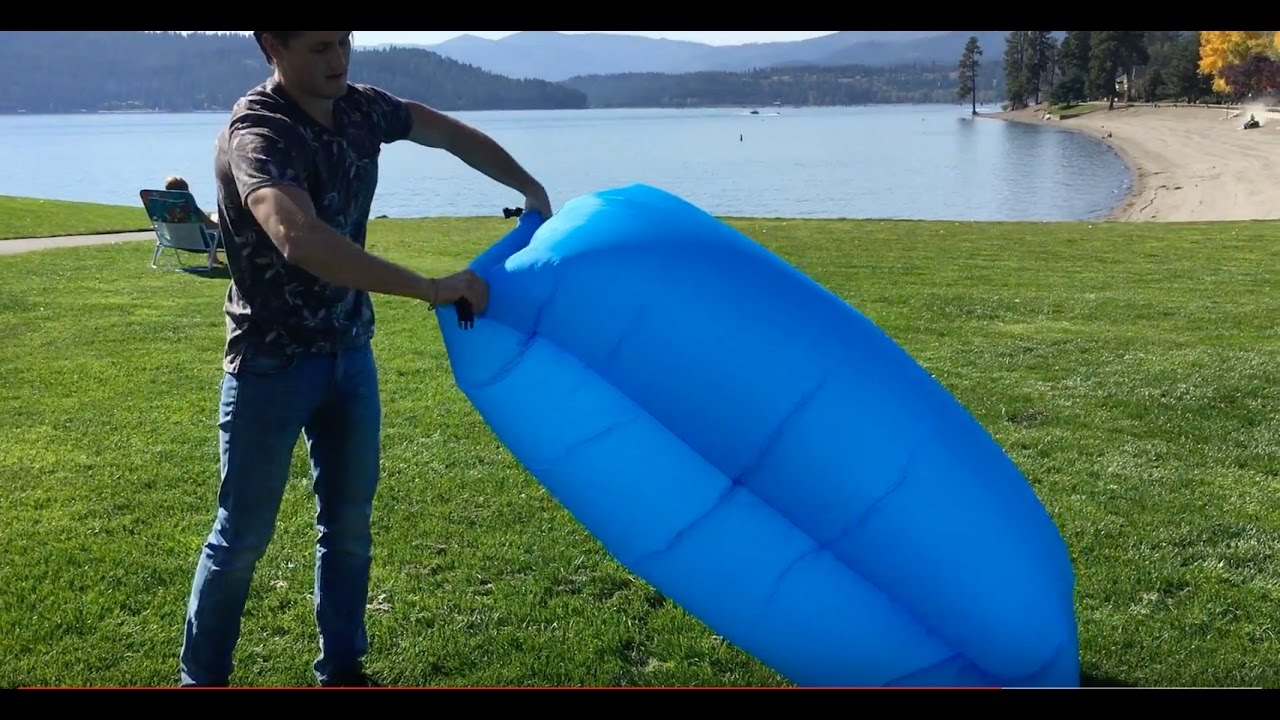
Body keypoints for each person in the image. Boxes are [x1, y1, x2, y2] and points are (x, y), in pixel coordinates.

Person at [178, 30, 553, 688]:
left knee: (347, 527)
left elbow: (450, 134)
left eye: (344, 42)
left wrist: (530, 187)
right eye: (319, 46)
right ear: (272, 44)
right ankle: (201, 680)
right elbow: (298, 237)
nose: (337, 61)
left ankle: (343, 670)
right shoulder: (257, 133)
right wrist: (433, 288)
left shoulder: (363, 108)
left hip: (350, 355)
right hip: (269, 364)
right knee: (240, 540)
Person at [163, 175, 223, 266]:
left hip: (174, 240)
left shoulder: (165, 209)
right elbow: (213, 226)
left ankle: (214, 258)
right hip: (199, 242)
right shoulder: (190, 209)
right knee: (217, 229)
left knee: (213, 217)